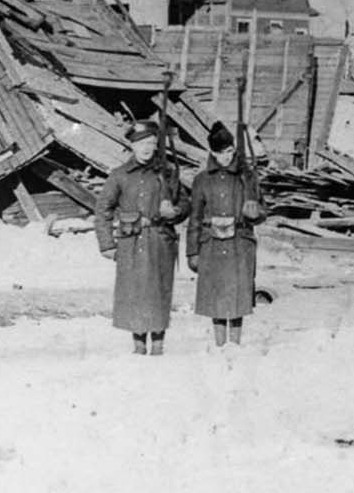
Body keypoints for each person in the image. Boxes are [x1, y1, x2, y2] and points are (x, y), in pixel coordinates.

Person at [93, 118, 190, 355]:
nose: (147, 148)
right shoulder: (120, 175)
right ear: (132, 146)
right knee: (135, 293)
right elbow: (103, 209)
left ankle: (158, 344)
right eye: (142, 143)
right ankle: (138, 346)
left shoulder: (167, 174)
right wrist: (107, 244)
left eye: (151, 143)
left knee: (158, 292)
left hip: (160, 241)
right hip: (131, 242)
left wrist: (174, 211)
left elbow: (185, 203)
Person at [186, 121, 264, 348]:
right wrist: (192, 251)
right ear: (212, 152)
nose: (226, 157)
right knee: (216, 295)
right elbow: (195, 218)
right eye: (221, 153)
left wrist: (255, 213)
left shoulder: (247, 178)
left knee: (237, 295)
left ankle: (235, 345)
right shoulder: (202, 180)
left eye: (230, 151)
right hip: (211, 243)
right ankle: (220, 345)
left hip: (240, 242)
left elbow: (263, 210)